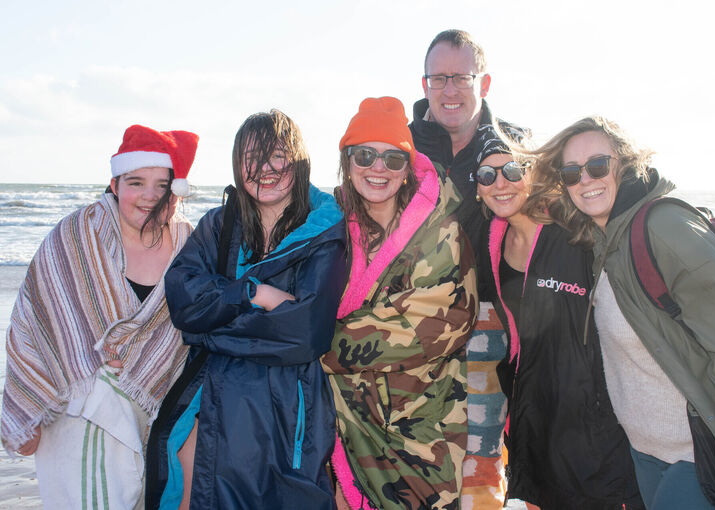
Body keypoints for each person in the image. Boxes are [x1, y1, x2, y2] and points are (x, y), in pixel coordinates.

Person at [537, 116, 715, 510]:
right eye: (572, 173)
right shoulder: (602, 239)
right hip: (647, 451)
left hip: (701, 454)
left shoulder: (665, 227)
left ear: (624, 163)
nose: (585, 180)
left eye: (597, 166)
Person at [146, 110, 347, 509]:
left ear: (300, 161)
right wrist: (252, 294)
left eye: (277, 155)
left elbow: (304, 334)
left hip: (287, 405)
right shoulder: (219, 226)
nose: (264, 169)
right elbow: (184, 303)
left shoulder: (325, 231)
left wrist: (210, 330)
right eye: (251, 157)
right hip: (212, 398)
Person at [0, 124, 198, 509]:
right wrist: (30, 403)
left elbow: (195, 326)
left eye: (162, 185)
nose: (149, 197)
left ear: (176, 192)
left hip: (155, 406)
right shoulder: (77, 234)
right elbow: (32, 318)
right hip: (80, 406)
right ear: (115, 183)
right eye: (136, 182)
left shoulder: (188, 243)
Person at [474, 125, 643, 509]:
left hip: (597, 425)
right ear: (478, 188)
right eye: (487, 174)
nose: (501, 183)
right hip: (537, 418)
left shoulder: (575, 230)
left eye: (513, 170)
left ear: (534, 172)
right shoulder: (492, 243)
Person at [321, 96, 478, 510]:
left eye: (393, 159)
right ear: (346, 159)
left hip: (420, 437)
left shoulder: (441, 234)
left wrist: (311, 340)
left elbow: (434, 324)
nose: (378, 168)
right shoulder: (324, 227)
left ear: (408, 168)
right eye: (365, 155)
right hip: (340, 431)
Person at [409, 29, 527, 506]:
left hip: (488, 327)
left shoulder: (515, 149)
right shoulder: (401, 147)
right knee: (411, 464)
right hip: (411, 324)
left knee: (478, 474)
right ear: (424, 85)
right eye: (440, 78)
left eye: (461, 76)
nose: (450, 90)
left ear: (486, 81)